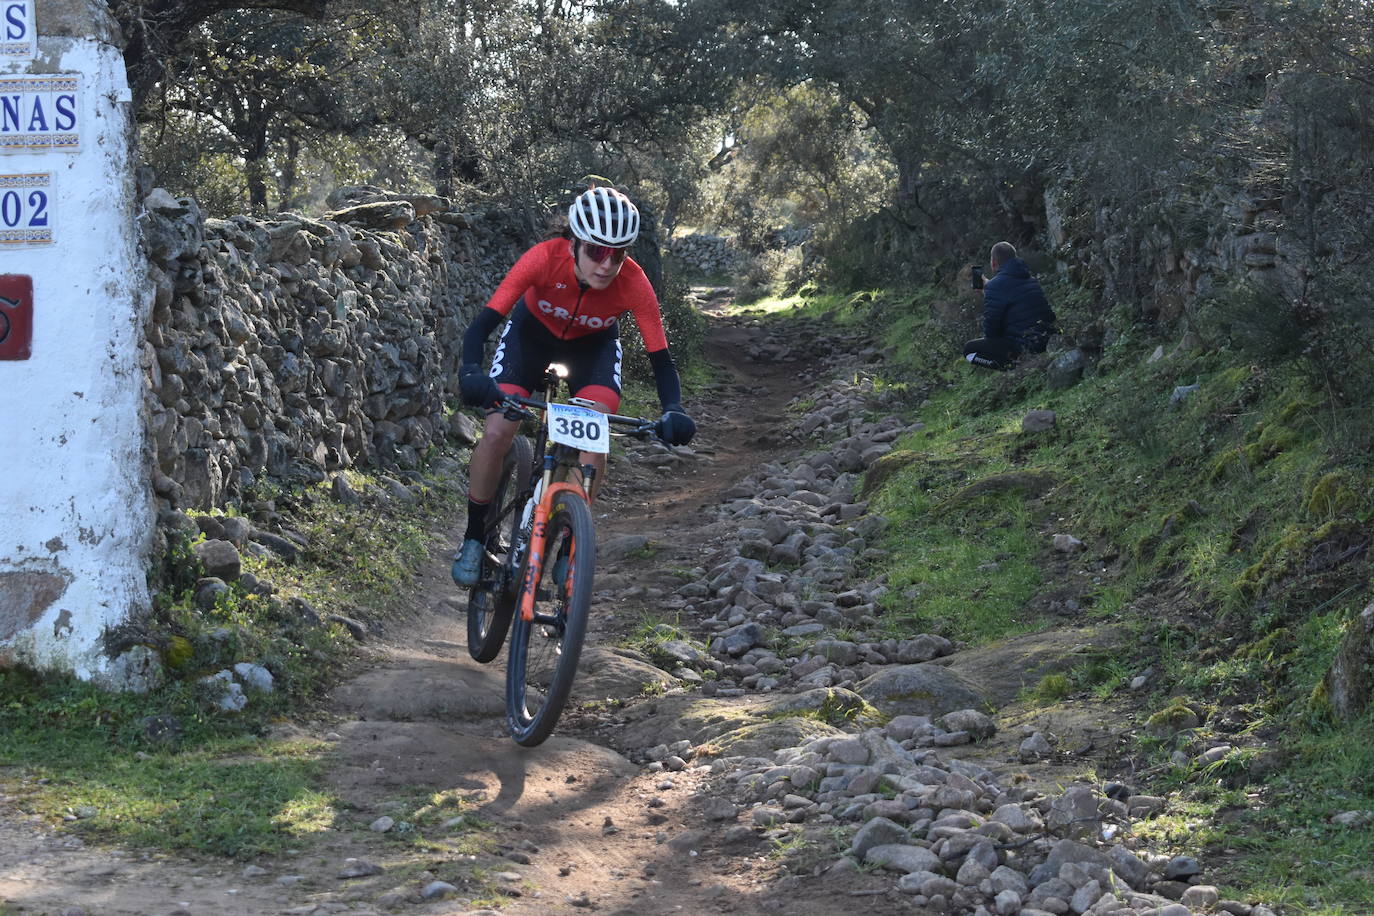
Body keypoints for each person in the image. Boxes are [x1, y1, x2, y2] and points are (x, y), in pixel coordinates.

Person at [451, 184, 696, 586]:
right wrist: (470, 373)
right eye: (596, 251)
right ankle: (474, 536)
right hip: (530, 339)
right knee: (496, 431)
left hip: (592, 350)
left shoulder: (634, 281)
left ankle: (571, 543)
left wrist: (674, 409)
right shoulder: (543, 259)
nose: (607, 264)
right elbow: (482, 325)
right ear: (574, 243)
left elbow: (662, 360)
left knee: (594, 436)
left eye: (617, 254)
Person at [963, 241, 1056, 370]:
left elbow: (991, 332)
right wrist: (988, 290)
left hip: (1025, 346)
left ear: (994, 263)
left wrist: (989, 289)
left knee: (969, 351)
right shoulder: (1031, 280)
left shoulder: (995, 287)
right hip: (1047, 338)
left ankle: (1013, 368)